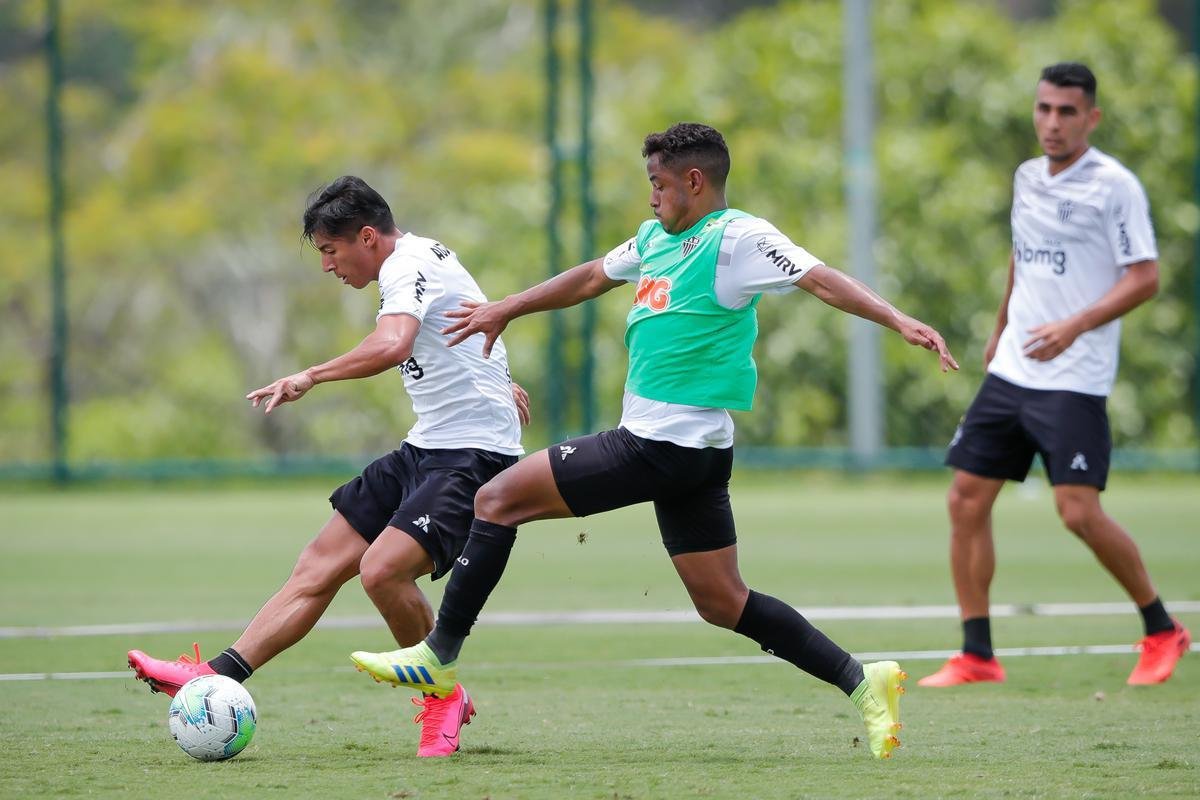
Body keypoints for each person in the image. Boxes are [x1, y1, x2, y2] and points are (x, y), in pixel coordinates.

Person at [349, 123, 958, 760]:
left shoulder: (738, 238)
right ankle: (865, 683)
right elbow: (589, 277)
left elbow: (820, 278)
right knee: (724, 602)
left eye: (659, 185)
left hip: (657, 446)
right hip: (697, 457)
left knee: (496, 500)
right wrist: (506, 308)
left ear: (694, 182)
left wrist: (897, 319)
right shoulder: (654, 239)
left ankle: (439, 655)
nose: (651, 198)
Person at [127, 175, 529, 757]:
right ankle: (214, 676)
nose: (327, 265)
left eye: (329, 250)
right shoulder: (420, 260)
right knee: (318, 565)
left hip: (472, 456)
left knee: (381, 571)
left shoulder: (406, 264)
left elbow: (394, 344)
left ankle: (444, 698)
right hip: (428, 447)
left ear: (367, 237)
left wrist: (310, 375)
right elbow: (462, 322)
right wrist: (500, 380)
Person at [919, 63, 1190, 689]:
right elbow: (1023, 252)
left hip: (1073, 376)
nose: (1052, 122)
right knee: (965, 498)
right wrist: (999, 328)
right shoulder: (1026, 177)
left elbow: (1145, 277)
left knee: (1077, 513)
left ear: (1091, 118)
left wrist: (1074, 325)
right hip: (1014, 369)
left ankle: (1161, 628)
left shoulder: (1115, 186)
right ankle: (977, 654)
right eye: (1044, 109)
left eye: (1067, 111)